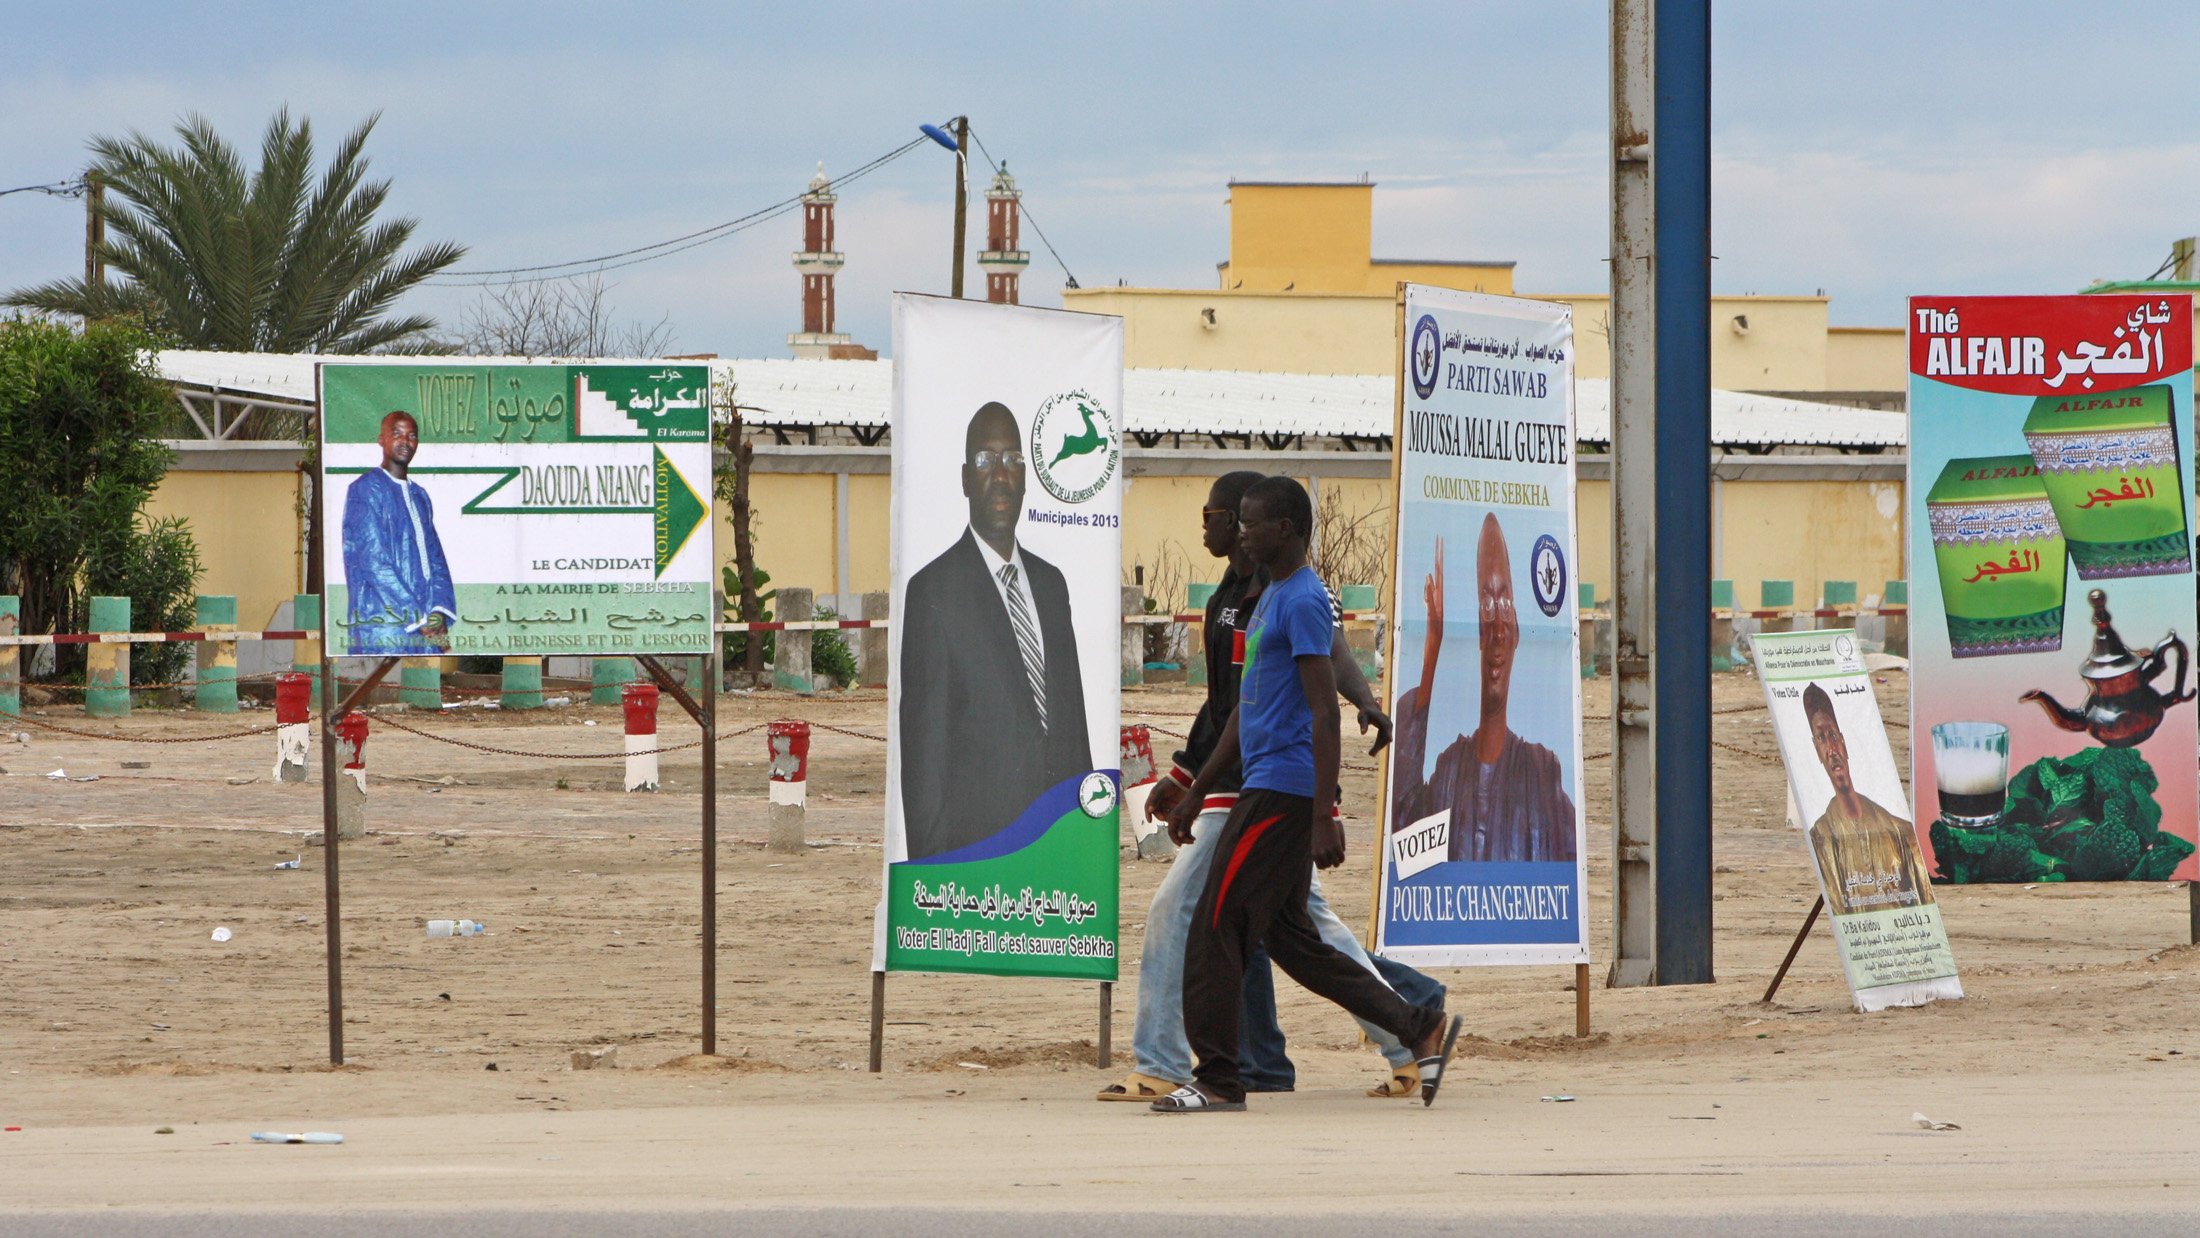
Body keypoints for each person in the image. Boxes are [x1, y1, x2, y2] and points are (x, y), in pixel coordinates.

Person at [1097, 472, 1445, 1103]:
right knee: (1296, 942)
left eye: (1248, 521)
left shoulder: (1305, 599)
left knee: (1214, 923)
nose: (1240, 533)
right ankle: (1417, 1027)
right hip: (1253, 781)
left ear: (1282, 529)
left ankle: (1219, 1079)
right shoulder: (1267, 598)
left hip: (1282, 793)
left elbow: (1321, 710)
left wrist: (1324, 813)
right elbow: (1241, 710)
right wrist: (1196, 788)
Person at [898, 401, 1092, 861]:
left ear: (1026, 478)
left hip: (1057, 851)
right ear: (966, 478)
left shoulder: (1051, 585)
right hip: (978, 862)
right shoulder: (934, 591)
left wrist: (1087, 842)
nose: (1001, 475)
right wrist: (932, 874)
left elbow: (1073, 727)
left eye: (1012, 461)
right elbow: (924, 758)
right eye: (986, 461)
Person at [1391, 513, 1576, 863]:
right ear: (1476, 634)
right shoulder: (1449, 772)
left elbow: (1568, 871)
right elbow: (1404, 832)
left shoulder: (1541, 771)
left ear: (1518, 634)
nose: (1497, 629)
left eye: (1505, 604)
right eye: (1486, 605)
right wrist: (1432, 645)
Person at [1801, 682, 1934, 915]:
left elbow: (1923, 902)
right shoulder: (1822, 835)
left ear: (1843, 742)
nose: (1831, 749)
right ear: (1816, 750)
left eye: (1832, 736)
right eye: (1822, 739)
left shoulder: (1897, 830)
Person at [341, 411, 457, 656]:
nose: (405, 441)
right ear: (381, 440)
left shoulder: (419, 496)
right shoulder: (364, 490)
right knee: (387, 692)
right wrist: (416, 615)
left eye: (412, 435)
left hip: (425, 630)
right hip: (383, 627)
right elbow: (373, 563)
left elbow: (436, 558)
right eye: (397, 434)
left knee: (422, 693)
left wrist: (437, 612)